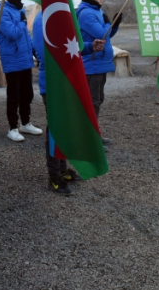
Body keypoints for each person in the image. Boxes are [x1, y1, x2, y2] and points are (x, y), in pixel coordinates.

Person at [31, 13, 105, 195]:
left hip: (66, 82)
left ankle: (63, 170)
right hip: (53, 82)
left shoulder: (63, 13)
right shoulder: (43, 19)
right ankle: (54, 177)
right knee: (56, 129)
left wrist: (90, 47)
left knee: (65, 128)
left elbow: (71, 45)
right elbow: (45, 53)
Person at [76, 0, 122, 146]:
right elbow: (102, 34)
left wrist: (114, 25)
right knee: (92, 102)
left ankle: (93, 135)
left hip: (98, 64)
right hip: (92, 64)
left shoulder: (95, 11)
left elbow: (108, 34)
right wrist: (110, 24)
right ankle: (90, 139)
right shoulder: (86, 13)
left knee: (97, 100)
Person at [0, 0, 42, 142]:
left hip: (25, 59)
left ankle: (26, 123)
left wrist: (34, 50)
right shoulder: (2, 11)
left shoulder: (19, 10)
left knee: (27, 94)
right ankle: (12, 127)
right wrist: (22, 23)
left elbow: (26, 36)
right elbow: (12, 33)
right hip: (13, 60)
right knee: (14, 95)